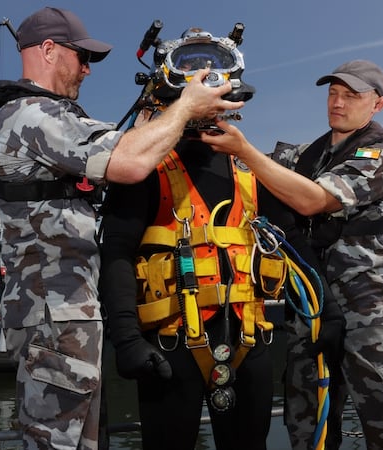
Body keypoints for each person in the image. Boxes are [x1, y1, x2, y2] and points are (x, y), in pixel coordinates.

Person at [0, 8, 241, 450]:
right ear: (47, 50)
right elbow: (130, 162)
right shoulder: (29, 114)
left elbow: (124, 148)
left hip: (63, 313)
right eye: (81, 57)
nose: (86, 68)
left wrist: (159, 118)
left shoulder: (50, 118)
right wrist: (185, 107)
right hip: (53, 315)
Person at [99, 26, 345, 450]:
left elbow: (290, 244)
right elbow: (116, 252)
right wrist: (126, 338)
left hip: (249, 343)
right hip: (169, 346)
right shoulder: (144, 167)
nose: (206, 78)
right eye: (193, 68)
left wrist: (328, 310)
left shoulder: (248, 167)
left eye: (215, 68)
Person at [200, 59, 383, 449]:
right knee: (308, 429)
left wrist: (245, 150)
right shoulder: (305, 157)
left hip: (367, 312)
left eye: (352, 95)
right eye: (333, 93)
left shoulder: (381, 159)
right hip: (309, 309)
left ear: (378, 105)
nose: (338, 103)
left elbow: (313, 200)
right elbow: (244, 170)